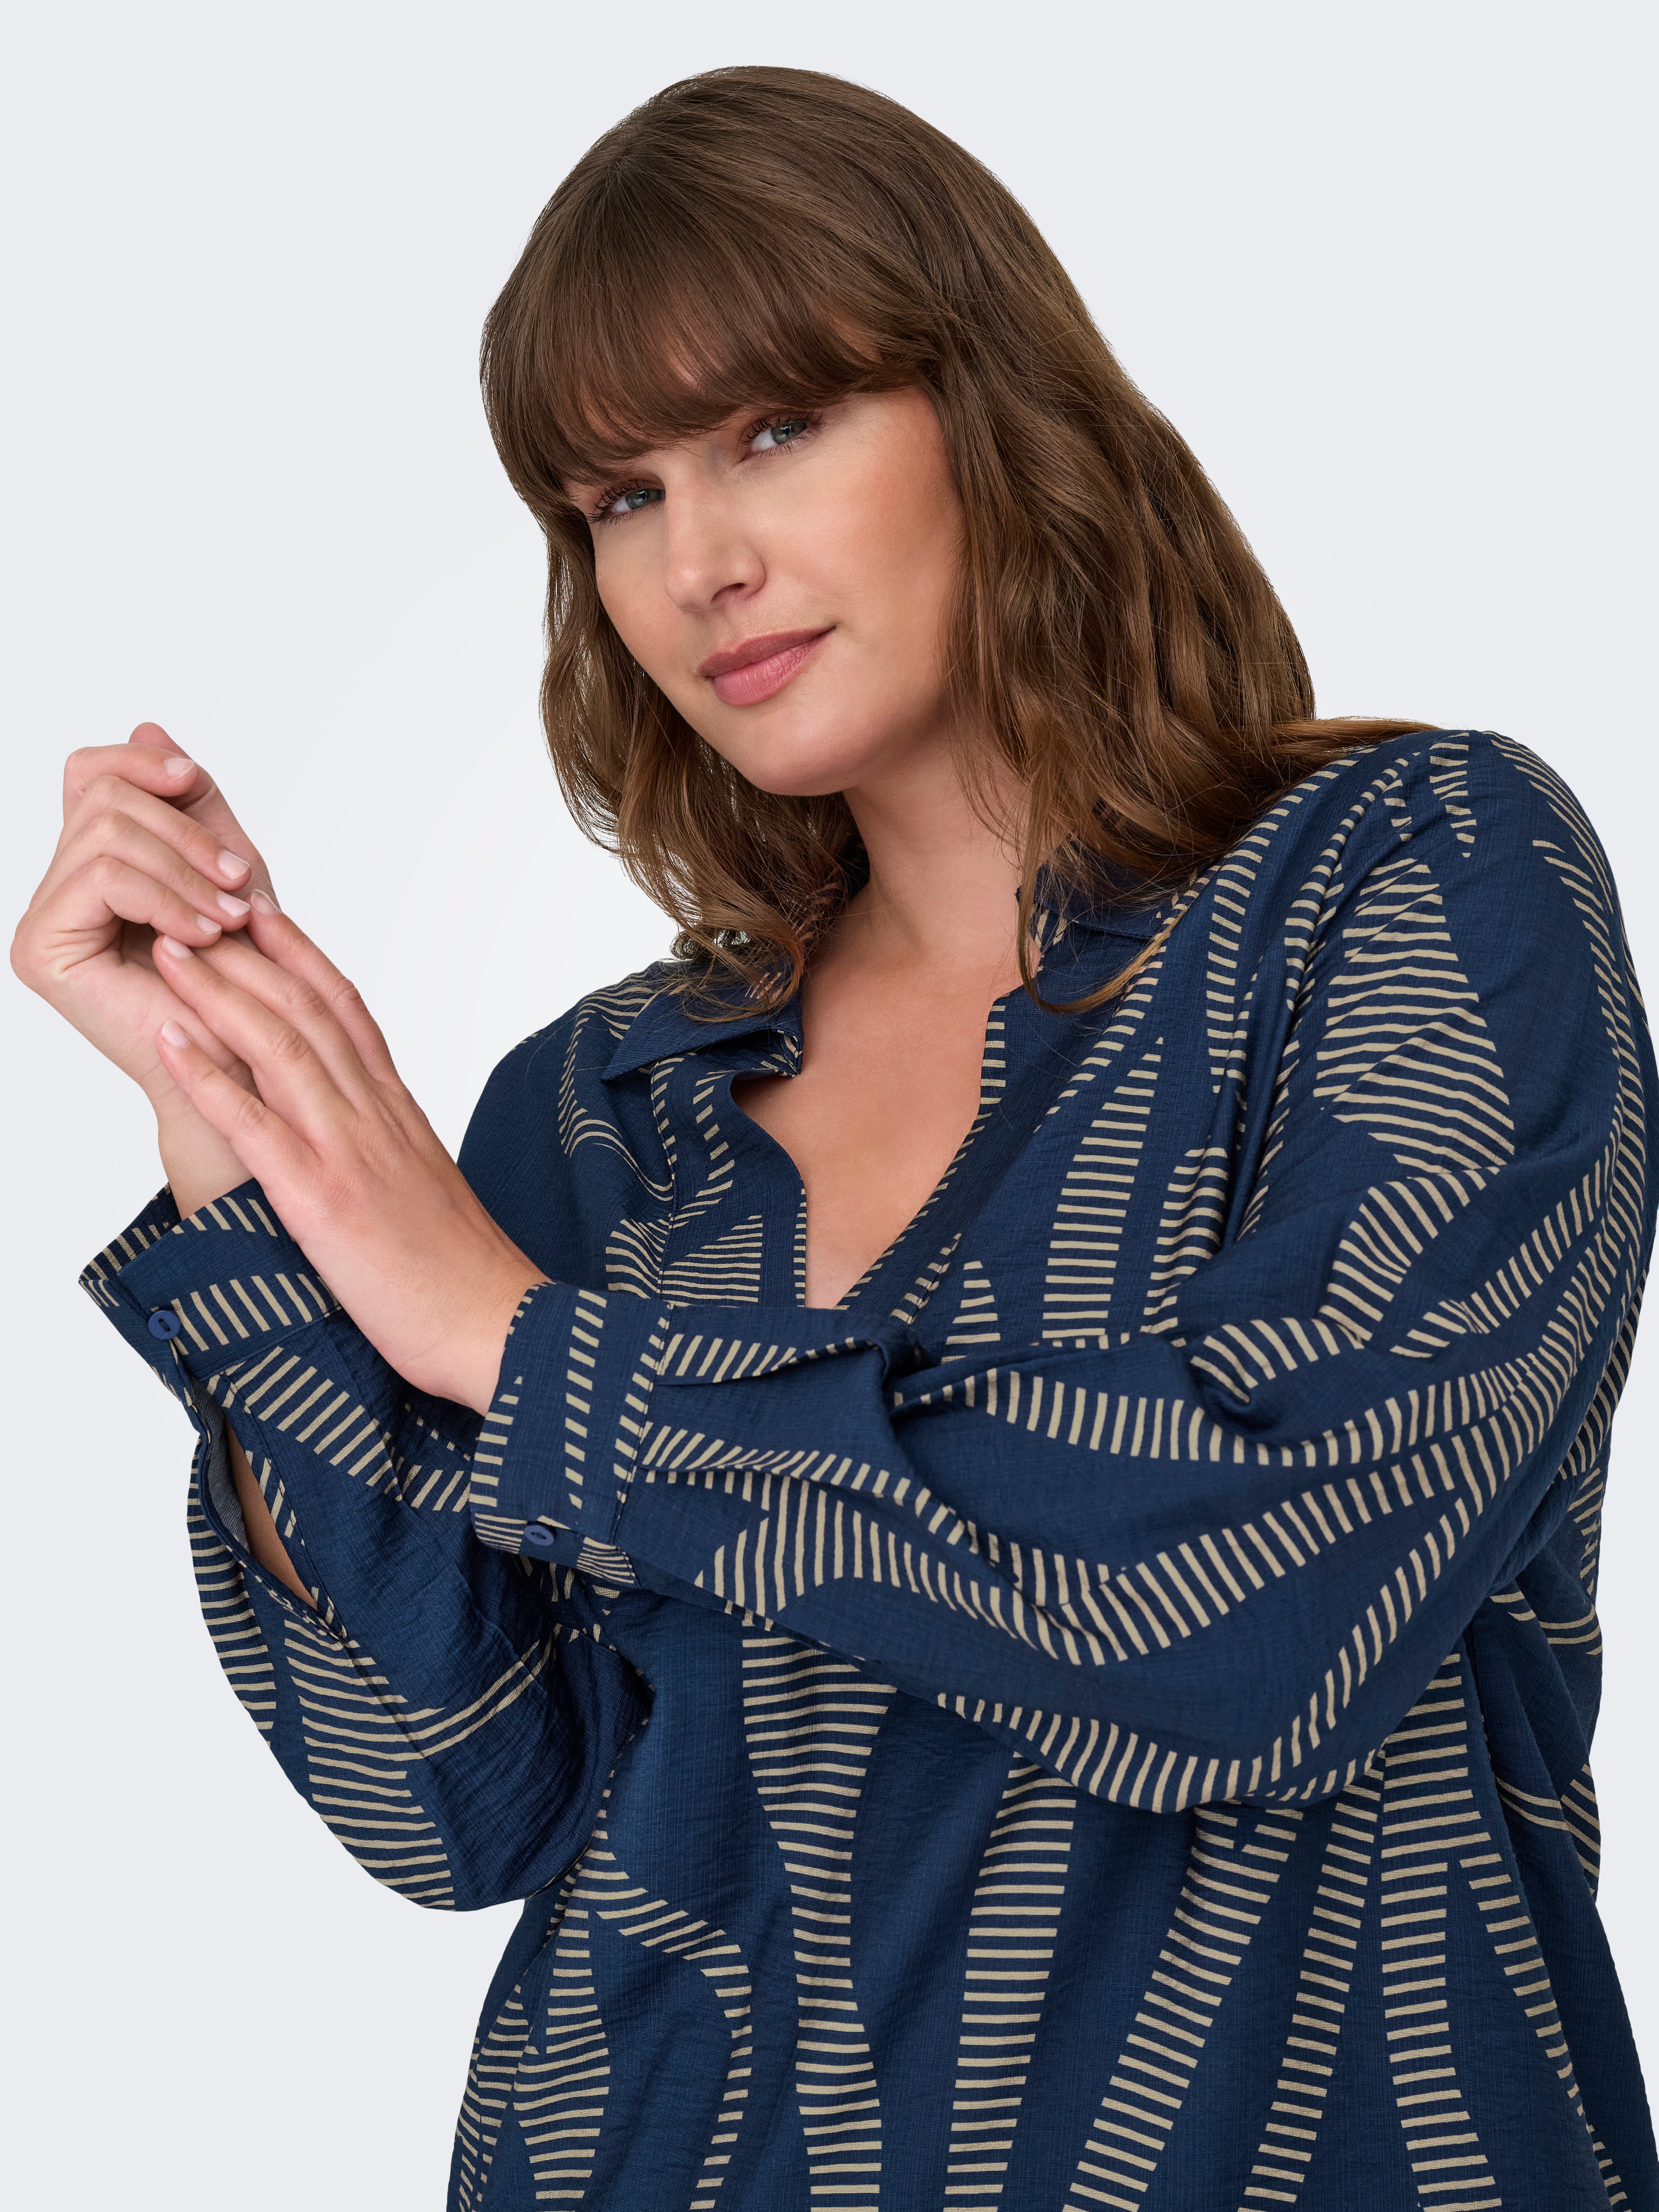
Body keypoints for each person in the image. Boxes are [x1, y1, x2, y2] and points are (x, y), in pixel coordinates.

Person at [13, 62, 1655, 2212]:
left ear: (993, 408)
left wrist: (520, 1346)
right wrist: (240, 1128)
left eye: (777, 427)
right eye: (616, 498)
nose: (700, 562)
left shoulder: (1408, 881)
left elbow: (1267, 1610)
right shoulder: (612, 1109)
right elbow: (451, 1794)